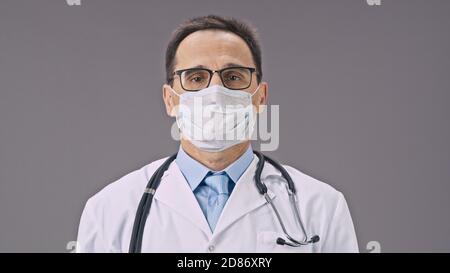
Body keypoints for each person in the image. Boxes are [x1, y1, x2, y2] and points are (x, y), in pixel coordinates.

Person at [76, 14, 358, 253]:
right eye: (196, 78)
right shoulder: (110, 210)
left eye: (233, 76)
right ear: (170, 99)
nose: (215, 92)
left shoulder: (320, 206)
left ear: (260, 97)